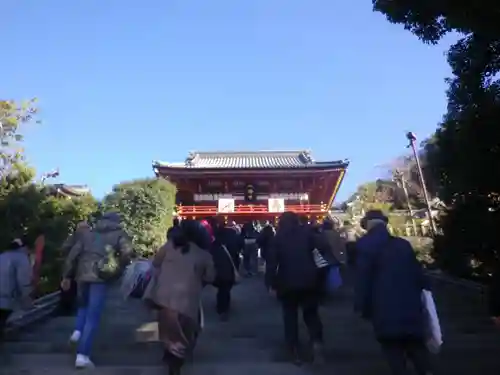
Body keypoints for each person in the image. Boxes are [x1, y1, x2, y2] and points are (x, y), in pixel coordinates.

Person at [354, 210, 434, 375]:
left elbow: (362, 279)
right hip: (410, 304)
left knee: (392, 349)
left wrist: (361, 306)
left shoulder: (363, 245)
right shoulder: (403, 244)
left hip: (383, 305)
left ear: (367, 224)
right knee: (416, 346)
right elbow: (419, 274)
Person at [61, 211, 133, 369]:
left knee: (83, 306)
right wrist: (119, 266)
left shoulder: (88, 234)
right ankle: (82, 355)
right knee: (93, 317)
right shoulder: (119, 234)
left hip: (82, 275)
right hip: (101, 276)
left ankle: (77, 332)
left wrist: (66, 276)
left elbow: (72, 255)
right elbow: (127, 252)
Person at [144, 219, 215, 375]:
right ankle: (175, 364)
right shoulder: (203, 254)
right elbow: (210, 277)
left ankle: (170, 356)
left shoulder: (168, 247)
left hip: (163, 296)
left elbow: (155, 264)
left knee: (169, 328)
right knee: (186, 331)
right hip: (188, 299)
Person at [265, 212, 330, 365]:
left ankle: (294, 351)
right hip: (310, 281)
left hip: (287, 283)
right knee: (311, 314)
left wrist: (271, 283)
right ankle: (316, 343)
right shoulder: (308, 234)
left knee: (290, 317)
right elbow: (323, 252)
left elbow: (272, 264)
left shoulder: (277, 238)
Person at [202, 218, 239, 321]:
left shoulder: (211, 236)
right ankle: (224, 308)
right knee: (226, 288)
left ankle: (221, 308)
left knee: (221, 286)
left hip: (217, 264)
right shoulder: (232, 233)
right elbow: (237, 246)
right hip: (230, 263)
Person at [0, 239, 33, 342]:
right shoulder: (21, 259)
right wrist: (27, 297)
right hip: (7, 298)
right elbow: (23, 280)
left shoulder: (2, 256)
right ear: (24, 248)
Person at [59, 221, 91, 315]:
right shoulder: (89, 238)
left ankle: (67, 308)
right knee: (72, 288)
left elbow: (64, 249)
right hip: (80, 268)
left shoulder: (74, 237)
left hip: (75, 267)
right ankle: (71, 308)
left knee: (68, 288)